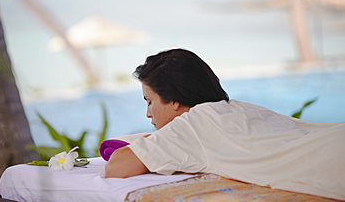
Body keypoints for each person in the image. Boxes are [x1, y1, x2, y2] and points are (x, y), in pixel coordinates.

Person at [105, 48, 345, 200]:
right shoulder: (241, 108)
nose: (148, 114)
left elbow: (117, 167)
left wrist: (148, 139)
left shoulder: (191, 126)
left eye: (149, 102)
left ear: (175, 100)